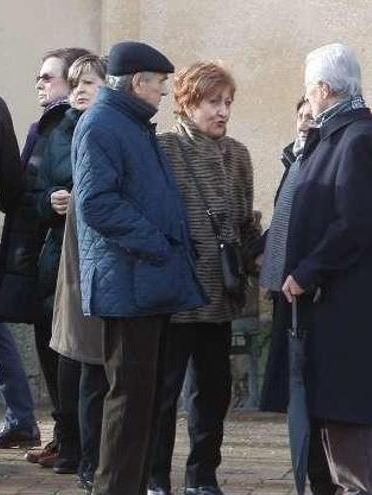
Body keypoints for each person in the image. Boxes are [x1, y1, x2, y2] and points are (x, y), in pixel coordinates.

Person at [71, 41, 206, 495]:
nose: (165, 92)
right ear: (137, 82)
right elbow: (97, 203)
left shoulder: (131, 124)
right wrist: (158, 244)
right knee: (128, 402)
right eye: (161, 82)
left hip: (146, 281)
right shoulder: (102, 125)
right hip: (128, 284)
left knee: (144, 401)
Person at [150, 61, 261, 495]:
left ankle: (202, 476)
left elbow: (244, 223)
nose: (222, 112)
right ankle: (156, 476)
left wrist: (256, 251)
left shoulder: (238, 155)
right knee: (163, 394)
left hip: (220, 295)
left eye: (228, 103)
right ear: (187, 102)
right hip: (175, 296)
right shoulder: (163, 149)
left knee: (211, 395)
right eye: (213, 102)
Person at [277, 43, 372, 495]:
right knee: (328, 424)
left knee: (350, 432)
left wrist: (307, 271)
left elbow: (355, 224)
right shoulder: (332, 138)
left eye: (308, 89)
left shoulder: (357, 140)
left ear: (323, 88)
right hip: (326, 309)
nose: (307, 98)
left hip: (347, 309)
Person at [0, 47, 89, 467]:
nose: (40, 84)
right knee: (51, 348)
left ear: (73, 81)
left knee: (67, 352)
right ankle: (65, 437)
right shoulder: (44, 126)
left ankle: (73, 441)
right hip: (38, 253)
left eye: (48, 77)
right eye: (39, 77)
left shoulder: (72, 126)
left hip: (62, 257)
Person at [257, 97, 336, 495]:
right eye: (301, 116)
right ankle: (313, 476)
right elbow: (282, 226)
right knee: (297, 397)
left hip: (311, 293)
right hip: (284, 293)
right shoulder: (294, 162)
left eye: (313, 117)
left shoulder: (325, 165)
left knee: (314, 395)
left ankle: (325, 481)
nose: (306, 123)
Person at [45, 53, 108, 485]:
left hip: (99, 261)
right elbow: (31, 189)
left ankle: (93, 456)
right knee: (75, 362)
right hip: (64, 260)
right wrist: (51, 197)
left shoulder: (110, 130)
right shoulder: (58, 130)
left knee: (95, 366)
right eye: (75, 82)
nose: (79, 89)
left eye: (89, 82)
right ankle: (79, 453)